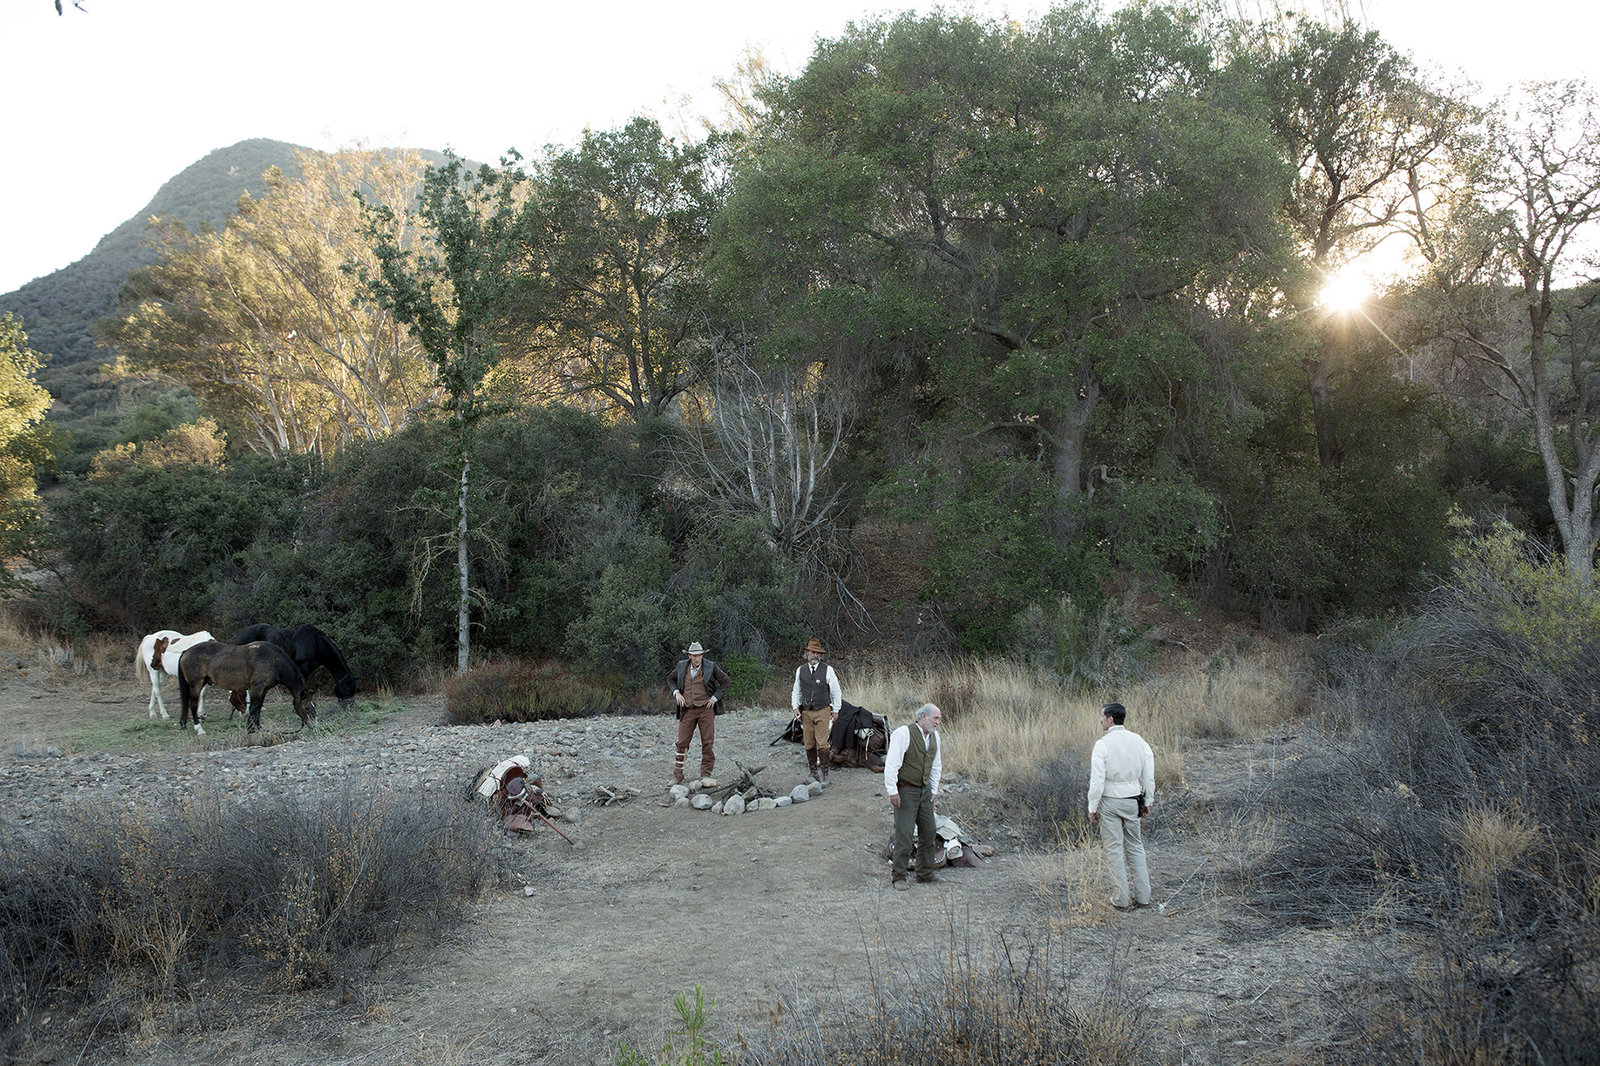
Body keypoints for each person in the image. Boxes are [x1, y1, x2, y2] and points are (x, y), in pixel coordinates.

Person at [1087, 702, 1155, 910]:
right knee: (1135, 846)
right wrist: (1147, 801)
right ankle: (1144, 897)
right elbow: (1148, 776)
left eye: (1102, 716)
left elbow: (1097, 780)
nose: (1100, 719)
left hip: (1110, 800)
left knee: (1114, 849)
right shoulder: (1139, 741)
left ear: (1110, 719)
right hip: (1133, 799)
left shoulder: (1103, 744)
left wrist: (1092, 807)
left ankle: (1121, 898)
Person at [883, 702, 942, 890]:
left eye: (939, 719)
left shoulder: (935, 737)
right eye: (935, 718)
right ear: (923, 717)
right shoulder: (904, 733)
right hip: (906, 790)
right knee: (904, 834)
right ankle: (898, 876)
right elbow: (892, 764)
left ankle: (924, 873)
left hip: (925, 791)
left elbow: (936, 764)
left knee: (929, 831)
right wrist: (892, 790)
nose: (938, 722)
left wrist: (933, 791)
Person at [667, 641, 731, 784]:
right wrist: (676, 692)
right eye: (695, 656)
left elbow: (726, 682)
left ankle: (705, 774)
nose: (697, 659)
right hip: (688, 709)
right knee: (682, 741)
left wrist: (714, 698)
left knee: (707, 741)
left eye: (700, 655)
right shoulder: (682, 666)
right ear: (689, 656)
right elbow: (670, 679)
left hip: (706, 709)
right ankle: (678, 774)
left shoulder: (711, 666)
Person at [790, 637, 842, 787]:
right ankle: (813, 774)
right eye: (812, 652)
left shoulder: (828, 670)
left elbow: (836, 691)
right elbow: (796, 691)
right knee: (809, 743)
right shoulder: (800, 670)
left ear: (820, 655)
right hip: (806, 711)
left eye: (817, 653)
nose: (815, 655)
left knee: (822, 743)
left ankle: (825, 775)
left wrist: (836, 709)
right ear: (807, 653)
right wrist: (795, 707)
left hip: (823, 710)